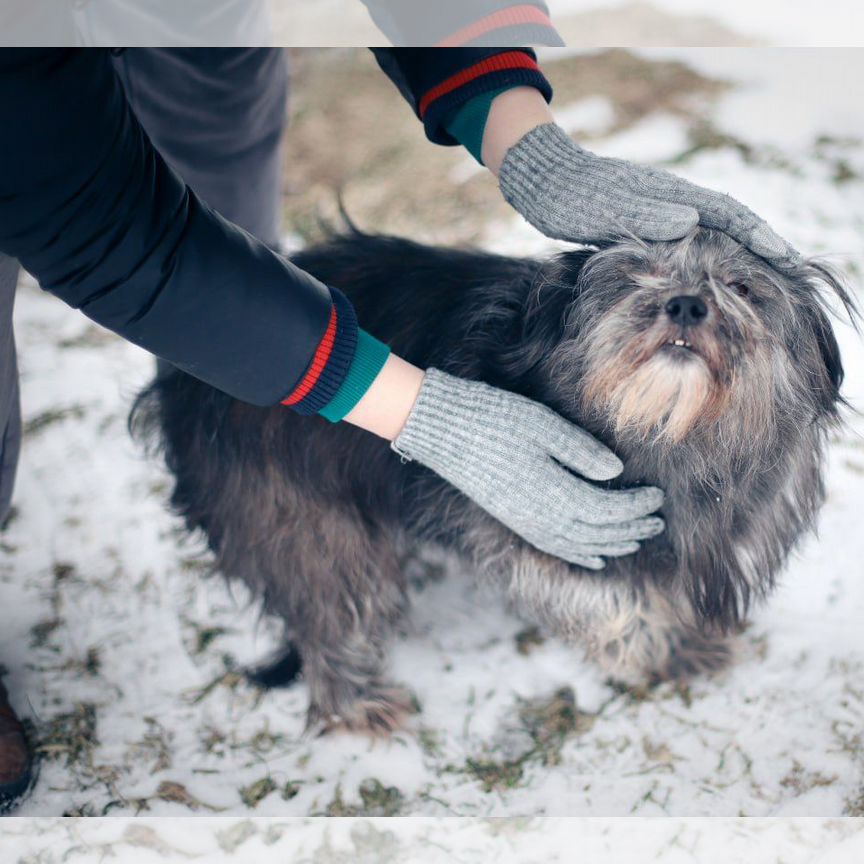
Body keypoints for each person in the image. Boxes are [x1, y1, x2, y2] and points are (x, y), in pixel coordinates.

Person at [0, 39, 800, 811]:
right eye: (649, 281)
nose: (690, 303)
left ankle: (242, 333)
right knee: (301, 516)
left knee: (219, 106)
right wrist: (427, 417)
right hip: (44, 145)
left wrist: (536, 156)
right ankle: (341, 685)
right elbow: (122, 243)